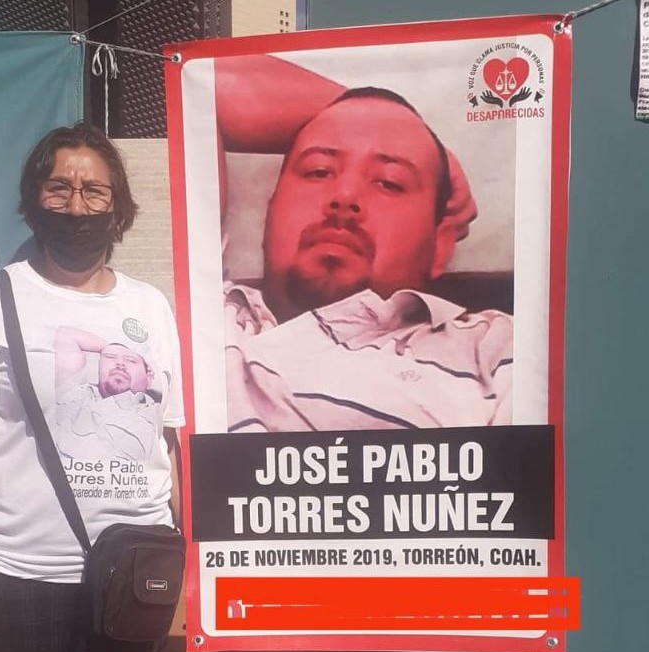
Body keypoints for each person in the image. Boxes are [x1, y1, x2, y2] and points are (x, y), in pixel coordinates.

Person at [0, 123, 184, 652]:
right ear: (33, 200)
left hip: (136, 564)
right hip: (22, 574)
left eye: (94, 191)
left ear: (118, 207)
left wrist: (192, 563)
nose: (76, 205)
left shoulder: (151, 306)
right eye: (59, 188)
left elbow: (170, 445)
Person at [214, 56, 512, 432]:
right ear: (270, 213)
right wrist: (392, 122)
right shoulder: (210, 317)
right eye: (318, 171)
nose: (345, 196)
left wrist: (418, 139)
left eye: (389, 182)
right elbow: (201, 88)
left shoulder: (492, 349)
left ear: (440, 244)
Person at [54, 327, 162, 461]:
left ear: (149, 378)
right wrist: (117, 347)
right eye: (110, 357)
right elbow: (66, 335)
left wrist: (119, 350)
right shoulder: (73, 392)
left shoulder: (152, 410)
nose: (120, 363)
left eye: (131, 360)